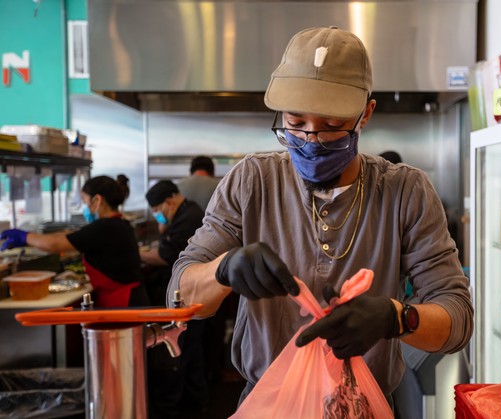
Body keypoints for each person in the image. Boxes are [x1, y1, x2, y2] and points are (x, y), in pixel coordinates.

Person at [167, 26, 474, 408]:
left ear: (365, 115)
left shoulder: (405, 192)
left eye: (331, 127)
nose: (312, 141)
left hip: (364, 406)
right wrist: (223, 269)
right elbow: (180, 292)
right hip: (266, 404)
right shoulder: (252, 182)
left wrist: (397, 318)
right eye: (295, 123)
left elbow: (458, 319)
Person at [0, 175, 149, 308]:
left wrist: (24, 236)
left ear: (97, 200)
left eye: (85, 202)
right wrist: (30, 239)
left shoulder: (104, 227)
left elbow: (55, 245)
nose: (85, 208)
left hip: (122, 303)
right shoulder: (116, 224)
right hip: (127, 300)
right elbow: (69, 235)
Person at [140, 180, 208, 418]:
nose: (157, 216)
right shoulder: (186, 211)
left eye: (157, 210)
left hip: (188, 296)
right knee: (190, 350)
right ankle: (195, 403)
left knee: (182, 351)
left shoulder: (187, 218)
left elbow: (165, 256)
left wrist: (136, 253)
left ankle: (183, 406)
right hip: (190, 295)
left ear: (168, 202)